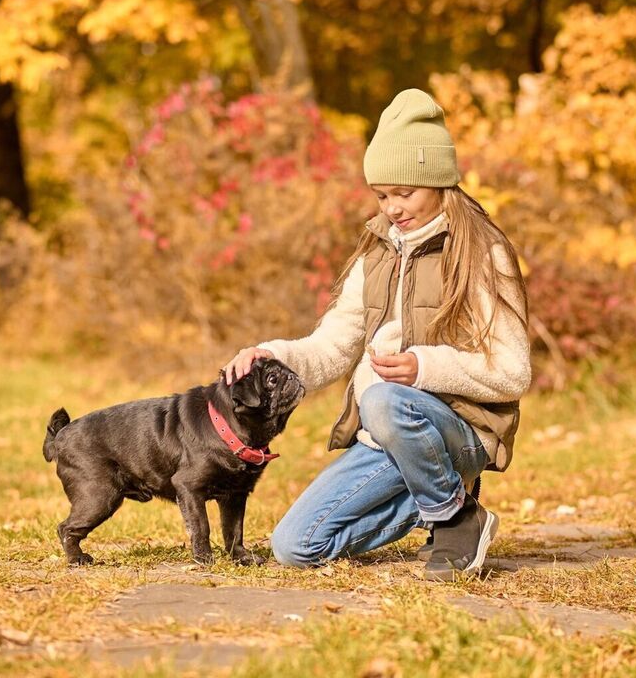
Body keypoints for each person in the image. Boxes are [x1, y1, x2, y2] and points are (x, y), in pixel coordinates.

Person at [222, 88, 531, 581]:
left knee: (385, 398)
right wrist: (271, 355)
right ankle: (448, 495)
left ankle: (454, 520)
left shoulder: (482, 254)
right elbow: (332, 347)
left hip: (462, 428)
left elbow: (513, 373)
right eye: (382, 196)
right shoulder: (376, 255)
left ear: (437, 182)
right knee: (295, 546)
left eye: (404, 193)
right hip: (386, 434)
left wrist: (424, 369)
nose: (392, 208)